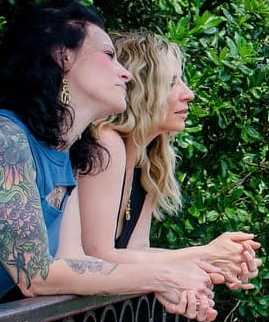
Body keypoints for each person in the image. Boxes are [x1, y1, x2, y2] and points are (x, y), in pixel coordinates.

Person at [0, 0, 222, 321]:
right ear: (63, 57)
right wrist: (163, 277)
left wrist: (168, 281)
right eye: (108, 56)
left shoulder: (64, 157)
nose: (126, 73)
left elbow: (76, 260)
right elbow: (36, 275)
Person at [77, 31, 259, 288]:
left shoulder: (148, 159)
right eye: (171, 83)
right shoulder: (105, 142)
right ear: (139, 91)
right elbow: (96, 256)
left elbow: (136, 251)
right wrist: (206, 254)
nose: (189, 94)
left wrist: (216, 264)